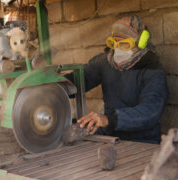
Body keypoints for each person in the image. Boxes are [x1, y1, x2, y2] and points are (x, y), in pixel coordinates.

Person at [66, 15, 168, 144]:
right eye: (114, 43)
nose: (118, 49)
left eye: (124, 44)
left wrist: (109, 119)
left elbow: (150, 111)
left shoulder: (152, 70)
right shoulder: (105, 62)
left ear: (140, 43)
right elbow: (79, 80)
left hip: (142, 139)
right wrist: (55, 86)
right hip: (109, 134)